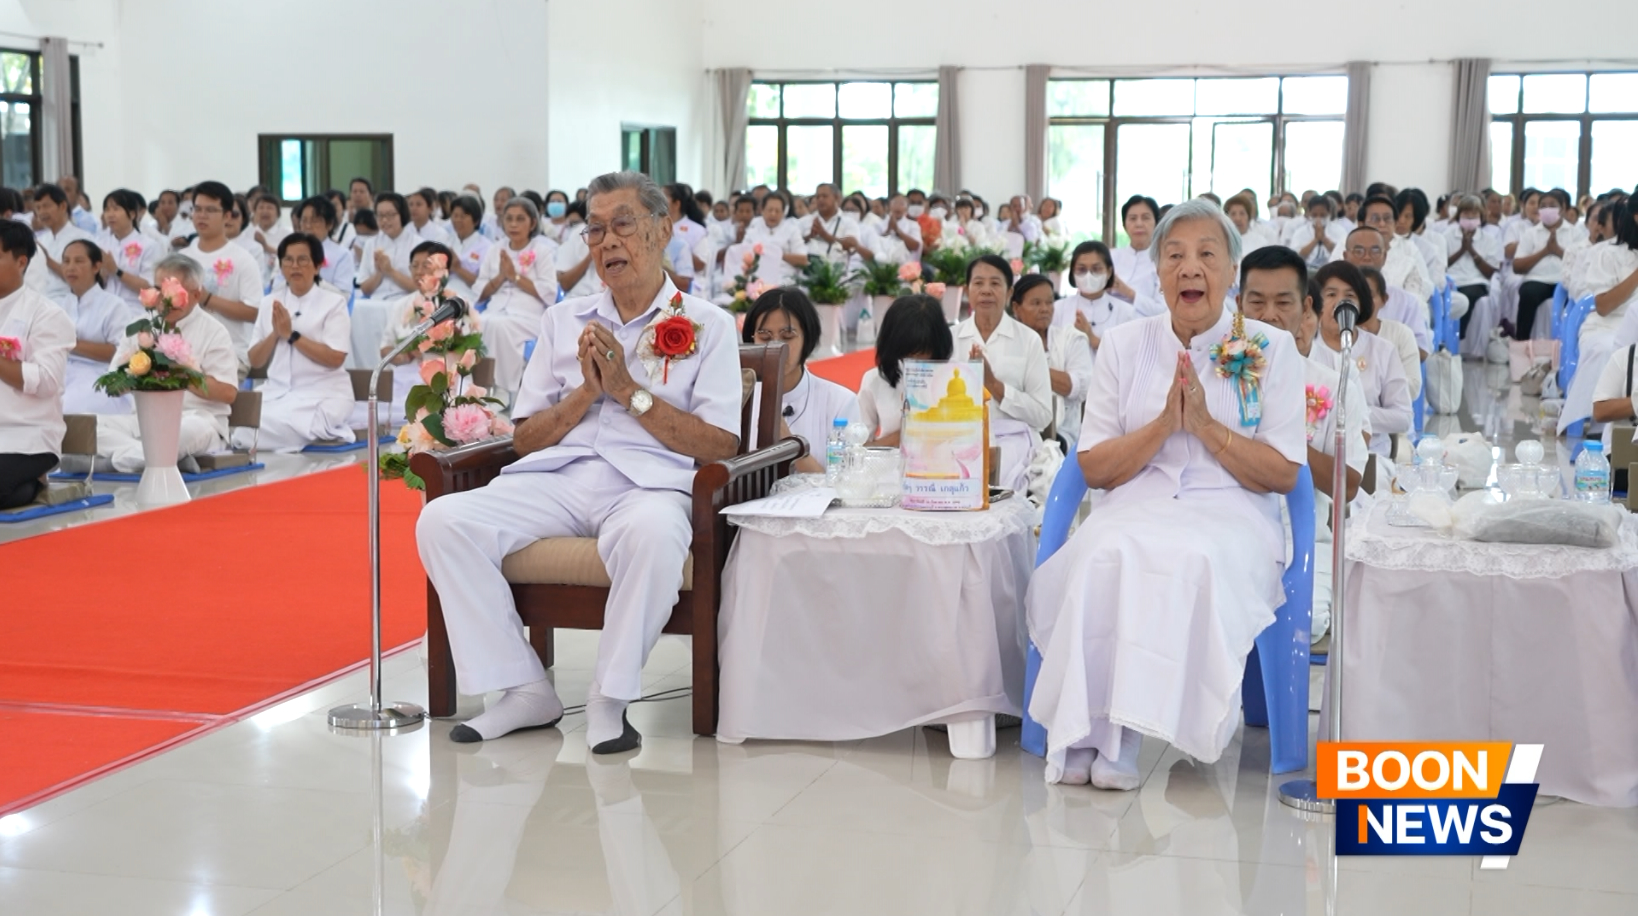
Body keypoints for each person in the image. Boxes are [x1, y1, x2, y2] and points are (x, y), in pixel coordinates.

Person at [416, 170, 742, 752]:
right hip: (560, 478)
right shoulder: (563, 321)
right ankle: (522, 689)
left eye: (622, 225)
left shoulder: (706, 325)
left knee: (653, 537)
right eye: (594, 231)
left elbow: (721, 443)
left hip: (650, 483)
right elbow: (523, 437)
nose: (607, 242)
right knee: (443, 520)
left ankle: (609, 700)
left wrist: (627, 391)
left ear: (662, 229)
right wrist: (586, 394)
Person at [1026, 198, 1305, 789]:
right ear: (1156, 273)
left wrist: (1206, 427)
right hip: (1136, 501)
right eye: (1174, 256)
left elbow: (1283, 473)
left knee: (1191, 559)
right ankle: (1086, 729)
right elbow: (1096, 465)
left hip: (1231, 512)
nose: (1189, 268)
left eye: (1207, 255)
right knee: (1105, 551)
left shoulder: (1270, 349)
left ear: (1231, 272)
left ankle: (1125, 736)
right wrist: (1161, 427)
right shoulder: (1125, 346)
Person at [1237, 245, 1368, 648]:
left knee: (1303, 627)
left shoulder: (1331, 383)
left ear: (1305, 307)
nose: (1270, 315)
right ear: (1239, 306)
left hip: (1302, 540)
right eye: (1257, 302)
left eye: (1283, 302)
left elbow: (1348, 485)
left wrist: (1283, 440)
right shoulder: (1220, 369)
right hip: (1225, 530)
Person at [97, 256, 238, 472]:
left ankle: (114, 462)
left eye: (174, 290)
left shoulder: (215, 331)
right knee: (90, 427)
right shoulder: (140, 327)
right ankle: (157, 458)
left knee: (179, 435)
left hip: (197, 420)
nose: (165, 298)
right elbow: (112, 385)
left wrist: (179, 372)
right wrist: (140, 370)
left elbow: (228, 393)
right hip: (142, 420)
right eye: (159, 289)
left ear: (196, 295)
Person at [238, 234, 354, 452]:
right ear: (281, 267)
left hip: (323, 392)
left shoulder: (333, 303)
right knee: (240, 422)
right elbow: (255, 359)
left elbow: (335, 358)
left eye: (302, 260)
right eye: (288, 260)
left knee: (288, 424)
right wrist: (275, 334)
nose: (295, 266)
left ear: (317, 266)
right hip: (276, 392)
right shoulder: (269, 302)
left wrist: (292, 336)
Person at [954, 254, 1053, 492]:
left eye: (995, 284)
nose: (986, 290)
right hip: (959, 441)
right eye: (978, 283)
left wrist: (994, 386)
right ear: (967, 291)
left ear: (1009, 294)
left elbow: (1042, 415)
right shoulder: (950, 338)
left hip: (1016, 444)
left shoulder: (1028, 340)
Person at [740, 287, 859, 473]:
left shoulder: (841, 402)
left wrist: (792, 446)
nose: (776, 346)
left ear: (807, 339)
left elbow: (845, 488)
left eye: (787, 337)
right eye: (764, 337)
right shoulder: (737, 398)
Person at [0, 222, 73, 508]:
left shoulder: (47, 315)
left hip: (27, 435)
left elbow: (45, 382)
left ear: (21, 262)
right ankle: (23, 484)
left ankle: (31, 480)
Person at [1308, 261, 1411, 458]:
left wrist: (1354, 412)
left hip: (1372, 458)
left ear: (1361, 304)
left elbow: (1403, 418)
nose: (1340, 302)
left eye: (1349, 296)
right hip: (1315, 458)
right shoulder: (1306, 347)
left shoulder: (1382, 350)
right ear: (1315, 303)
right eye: (1331, 295)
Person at [1565, 199, 1638, 434]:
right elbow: (1603, 305)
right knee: (1612, 351)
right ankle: (1604, 426)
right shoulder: (1606, 253)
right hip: (1608, 324)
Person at [476, 197, 559, 400]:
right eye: (509, 219)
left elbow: (549, 293)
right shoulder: (495, 249)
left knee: (499, 326)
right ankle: (479, 390)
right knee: (479, 323)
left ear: (532, 223)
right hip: (495, 309)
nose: (513, 224)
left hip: (528, 314)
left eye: (520, 219)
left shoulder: (542, 251)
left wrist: (515, 277)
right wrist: (501, 277)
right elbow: (480, 292)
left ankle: (502, 390)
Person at [180, 181, 266, 367]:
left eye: (210, 210)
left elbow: (255, 313)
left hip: (229, 353)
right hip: (185, 352)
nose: (202, 215)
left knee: (196, 390)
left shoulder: (243, 259)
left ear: (227, 216)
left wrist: (207, 298)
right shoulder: (182, 259)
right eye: (197, 209)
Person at [857, 294, 955, 446]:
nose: (915, 358)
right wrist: (903, 435)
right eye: (907, 351)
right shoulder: (875, 380)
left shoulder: (954, 377)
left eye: (923, 350)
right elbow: (858, 448)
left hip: (944, 466)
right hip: (891, 466)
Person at [1012, 274, 1093, 449]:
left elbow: (1079, 387)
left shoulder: (1071, 338)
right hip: (1015, 431)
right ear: (1016, 308)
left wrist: (1032, 369)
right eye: (1036, 303)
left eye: (1049, 302)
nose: (1045, 309)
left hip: (1062, 435)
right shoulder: (1007, 343)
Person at [54, 240, 134, 415]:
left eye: (79, 261)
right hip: (59, 371)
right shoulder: (56, 304)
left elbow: (121, 353)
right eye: (66, 261)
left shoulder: (114, 305)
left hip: (100, 376)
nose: (70, 267)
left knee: (66, 408)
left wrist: (73, 344)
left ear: (96, 267)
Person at [1342, 226, 1431, 357]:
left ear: (1384, 257)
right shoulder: (1331, 298)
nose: (1367, 257)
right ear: (1345, 256)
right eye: (1359, 250)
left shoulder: (1406, 302)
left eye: (1375, 250)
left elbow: (1421, 351)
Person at [1511, 188, 1584, 341]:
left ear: (1562, 209)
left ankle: (1567, 345)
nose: (1547, 209)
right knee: (1528, 294)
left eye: (1552, 205)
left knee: (1577, 296)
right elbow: (1517, 267)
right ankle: (1521, 342)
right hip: (1537, 281)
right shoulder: (1530, 233)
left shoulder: (1575, 233)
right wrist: (1544, 251)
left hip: (1565, 281)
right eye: (1543, 206)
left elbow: (1583, 263)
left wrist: (1557, 251)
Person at [1052, 241, 1136, 359]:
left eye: (1096, 269)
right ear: (1072, 272)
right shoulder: (1057, 309)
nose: (1089, 275)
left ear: (1109, 272)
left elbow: (1130, 355)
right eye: (1082, 269)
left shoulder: (1126, 312)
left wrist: (1093, 339)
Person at [1359, 267, 1423, 401]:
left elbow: (1413, 386)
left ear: (1384, 299)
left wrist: (1374, 387)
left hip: (1391, 414)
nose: (1362, 301)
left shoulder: (1401, 334)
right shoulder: (1339, 333)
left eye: (1369, 295)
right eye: (1355, 295)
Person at [1446, 194, 1501, 339]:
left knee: (1468, 294)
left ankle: (1458, 336)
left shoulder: (1489, 239)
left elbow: (1489, 272)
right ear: (1459, 216)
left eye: (1474, 215)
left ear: (1481, 217)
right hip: (1452, 280)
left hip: (1476, 282)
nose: (1470, 218)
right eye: (1466, 214)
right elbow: (1443, 265)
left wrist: (1471, 250)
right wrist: (1462, 250)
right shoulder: (1447, 235)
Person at [96, 189, 161, 312]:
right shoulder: (100, 244)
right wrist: (99, 276)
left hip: (136, 310)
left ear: (132, 214)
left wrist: (116, 271)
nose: (110, 214)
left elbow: (150, 288)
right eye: (107, 210)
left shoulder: (149, 245)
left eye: (116, 209)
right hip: (105, 309)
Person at [27, 183, 93, 302]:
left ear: (62, 206)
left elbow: (85, 279)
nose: (41, 212)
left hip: (69, 301)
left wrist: (47, 260)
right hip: (40, 300)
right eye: (38, 208)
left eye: (46, 206)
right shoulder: (41, 240)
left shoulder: (82, 239)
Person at [282, 196, 357, 294]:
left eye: (315, 221)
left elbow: (344, 296)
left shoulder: (342, 255)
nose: (308, 226)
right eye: (304, 220)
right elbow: (277, 286)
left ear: (329, 224)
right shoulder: (289, 250)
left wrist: (313, 279)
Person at [357, 192, 421, 301]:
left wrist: (390, 271)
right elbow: (365, 289)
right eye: (380, 215)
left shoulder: (417, 244)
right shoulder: (371, 244)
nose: (385, 220)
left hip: (406, 303)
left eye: (390, 215)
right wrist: (379, 272)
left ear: (402, 214)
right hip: (376, 303)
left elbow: (419, 287)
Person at [1109, 195, 1163, 316]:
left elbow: (1162, 310)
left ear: (1156, 223)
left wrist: (1129, 293)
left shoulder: (1163, 261)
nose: (1139, 224)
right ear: (1124, 225)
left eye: (1145, 218)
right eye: (1132, 218)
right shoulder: (1111, 257)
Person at [744, 193, 808, 286]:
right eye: (770, 210)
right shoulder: (754, 228)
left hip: (784, 278)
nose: (773, 214)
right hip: (757, 278)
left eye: (777, 211)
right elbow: (742, 255)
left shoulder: (792, 229)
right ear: (762, 210)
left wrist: (777, 254)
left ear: (783, 212)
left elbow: (803, 260)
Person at [445, 194, 492, 303]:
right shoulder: (446, 241)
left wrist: (458, 269)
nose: (457, 220)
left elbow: (486, 287)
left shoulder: (487, 247)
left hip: (469, 297)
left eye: (463, 216)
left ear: (475, 220)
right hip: (443, 292)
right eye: (455, 215)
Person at [1285, 194, 1347, 270]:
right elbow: (1296, 257)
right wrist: (1316, 240)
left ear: (1329, 212)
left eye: (1322, 215)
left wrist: (1324, 239)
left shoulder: (1339, 230)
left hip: (1333, 270)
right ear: (1309, 212)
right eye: (1315, 215)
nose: (1318, 218)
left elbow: (1342, 254)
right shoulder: (1300, 232)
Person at [1224, 193, 1276, 261]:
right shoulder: (1221, 241)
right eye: (1233, 214)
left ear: (1249, 217)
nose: (1238, 218)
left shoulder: (1260, 242)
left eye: (1242, 213)